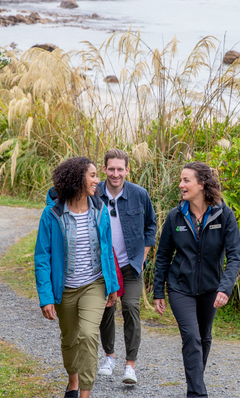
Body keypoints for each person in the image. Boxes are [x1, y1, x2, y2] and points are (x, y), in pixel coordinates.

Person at [153, 162, 240, 398]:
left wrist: (225, 288)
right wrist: (158, 291)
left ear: (201, 184)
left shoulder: (224, 214)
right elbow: (163, 256)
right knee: (191, 337)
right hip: (180, 287)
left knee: (204, 337)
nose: (181, 185)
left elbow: (234, 256)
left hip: (212, 287)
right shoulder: (175, 216)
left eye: (186, 180)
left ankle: (195, 382)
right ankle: (197, 394)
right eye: (181, 180)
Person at [35, 156, 120, 398]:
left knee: (88, 335)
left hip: (94, 284)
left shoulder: (100, 209)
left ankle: (85, 392)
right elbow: (42, 257)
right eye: (93, 175)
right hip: (65, 289)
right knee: (70, 338)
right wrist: (46, 297)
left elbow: (107, 249)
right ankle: (72, 381)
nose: (98, 180)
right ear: (77, 179)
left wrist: (112, 285)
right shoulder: (52, 214)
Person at [95, 149, 157, 385]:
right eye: (111, 169)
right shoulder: (94, 194)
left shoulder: (139, 194)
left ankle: (130, 365)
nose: (115, 173)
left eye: (120, 169)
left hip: (130, 264)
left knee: (131, 307)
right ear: (104, 169)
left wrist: (142, 256)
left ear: (127, 170)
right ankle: (109, 357)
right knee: (105, 309)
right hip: (104, 265)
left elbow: (151, 225)